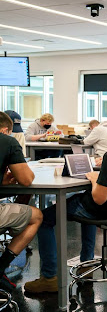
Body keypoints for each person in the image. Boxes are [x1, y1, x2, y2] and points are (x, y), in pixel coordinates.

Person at [24, 113, 107, 293]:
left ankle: (49, 277)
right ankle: (86, 265)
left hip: (100, 209)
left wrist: (95, 179)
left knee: (44, 219)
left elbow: (98, 198)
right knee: (87, 203)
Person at [0, 111, 42, 292]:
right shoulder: (7, 142)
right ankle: (0, 267)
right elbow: (26, 180)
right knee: (37, 216)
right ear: (4, 130)